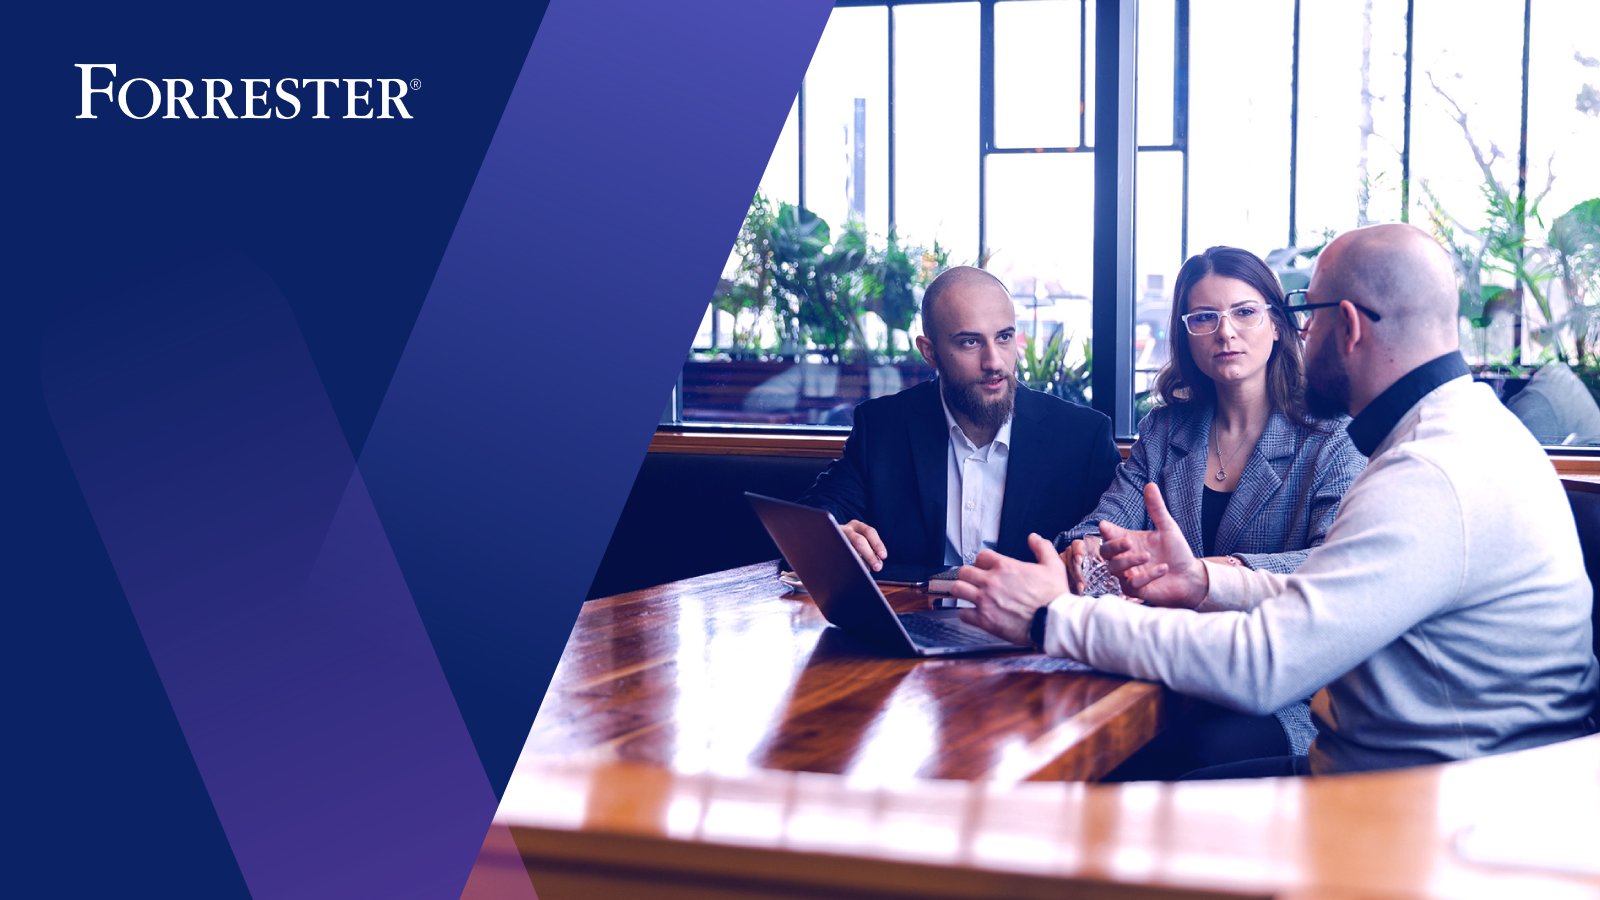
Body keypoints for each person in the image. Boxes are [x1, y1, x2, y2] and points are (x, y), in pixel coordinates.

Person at [951, 224, 1599, 776]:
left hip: (1430, 808)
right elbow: (1340, 589)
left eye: (1305, 316)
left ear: (1345, 326)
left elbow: (1264, 664)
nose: (1298, 333)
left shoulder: (1428, 471)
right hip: (1422, 777)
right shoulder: (1461, 432)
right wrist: (1204, 581)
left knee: (1123, 798)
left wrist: (1051, 616)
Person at [1055, 246, 1366, 778]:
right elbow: (1098, 530)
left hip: (1287, 686)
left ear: (1277, 323)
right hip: (1175, 668)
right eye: (1204, 318)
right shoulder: (1166, 429)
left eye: (1244, 312)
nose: (1226, 332)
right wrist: (1084, 554)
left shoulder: (1332, 434)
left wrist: (1202, 577)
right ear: (1186, 335)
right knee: (1075, 733)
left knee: (1184, 751)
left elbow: (1333, 568)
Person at [798, 265, 1121, 571]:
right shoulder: (883, 427)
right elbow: (816, 515)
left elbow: (1110, 548)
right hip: (908, 619)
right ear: (929, 351)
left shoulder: (1082, 437)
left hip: (1031, 625)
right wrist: (834, 535)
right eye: (970, 342)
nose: (994, 361)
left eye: (1004, 337)